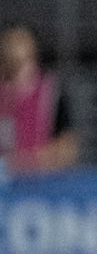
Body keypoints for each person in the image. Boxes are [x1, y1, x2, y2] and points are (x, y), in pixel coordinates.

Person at [0, 24, 79, 178]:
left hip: (42, 182)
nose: (17, 73)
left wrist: (33, 160)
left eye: (22, 62)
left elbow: (69, 148)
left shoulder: (51, 93)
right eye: (12, 64)